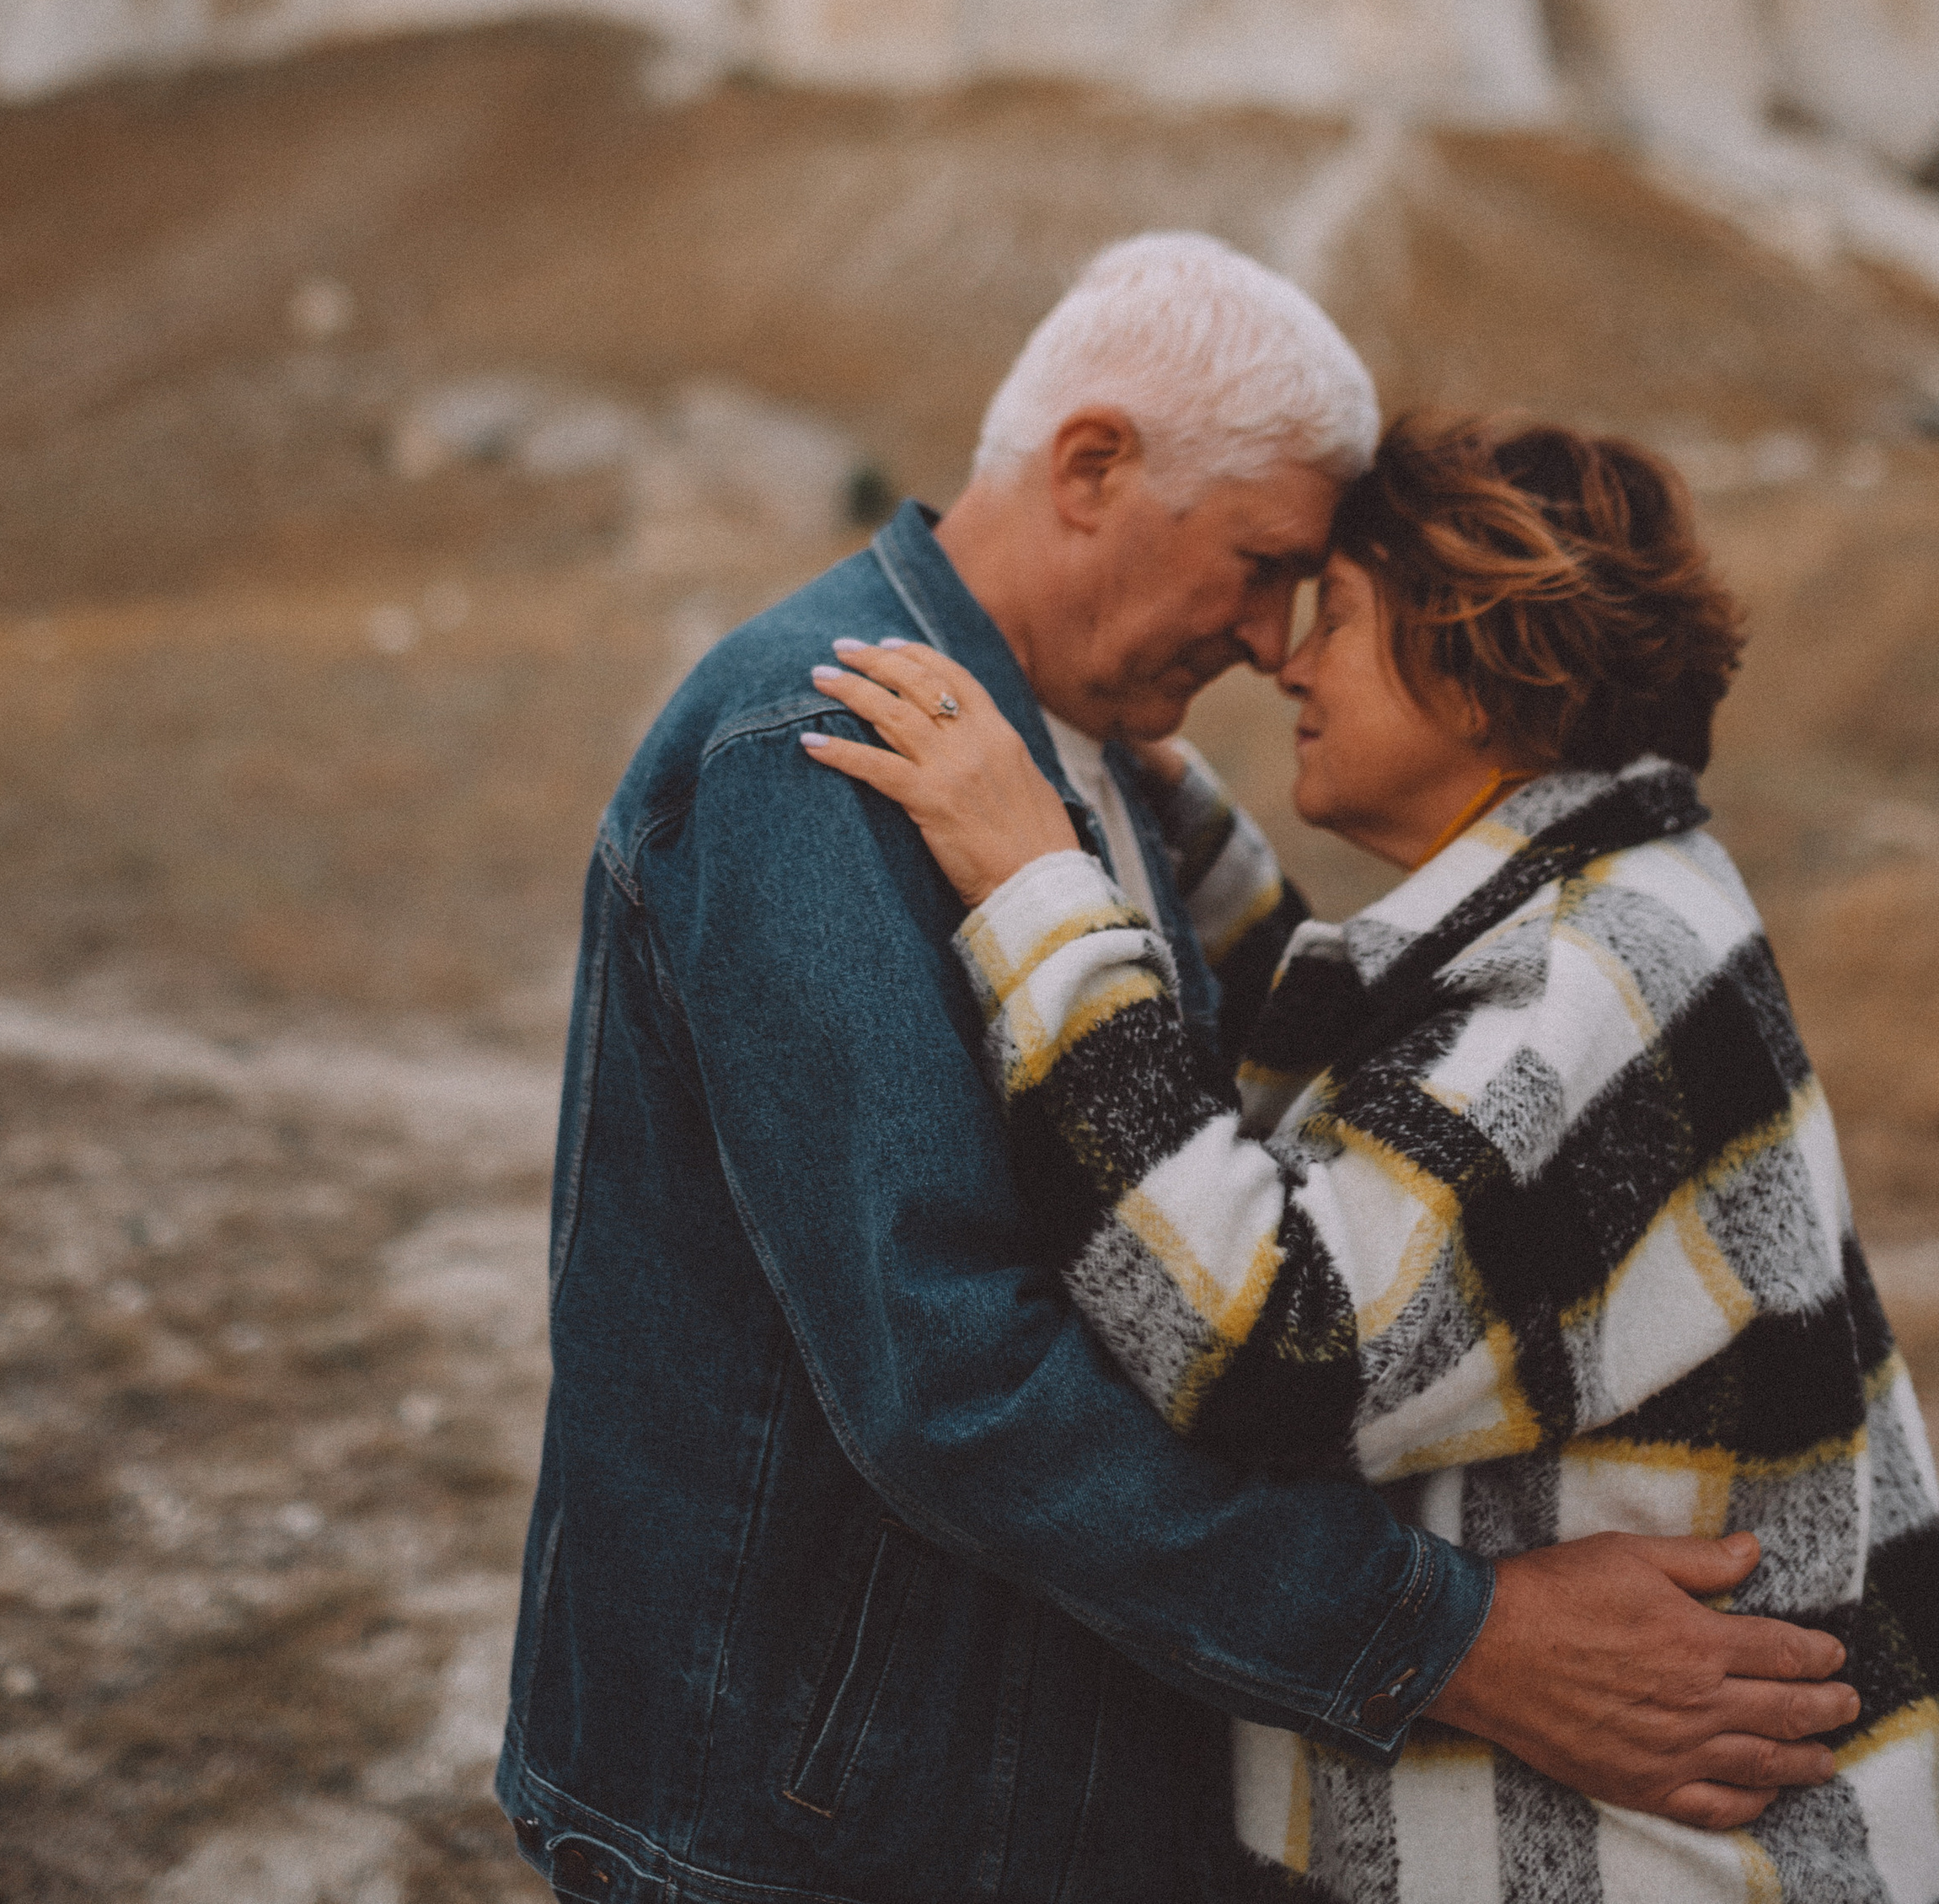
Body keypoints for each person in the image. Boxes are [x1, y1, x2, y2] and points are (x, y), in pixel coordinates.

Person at [498, 237, 1859, 1904]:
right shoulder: (819, 752)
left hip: (1010, 1797)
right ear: (1091, 470)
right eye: (1261, 562)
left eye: (1317, 596)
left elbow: (1243, 1094)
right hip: (807, 1824)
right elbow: (955, 1382)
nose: (1268, 637)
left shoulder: (1070, 758)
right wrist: (1441, 1638)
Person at [801, 405, 1939, 1898]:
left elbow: (1264, 1349)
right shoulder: (1622, 896)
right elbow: (1391, 1095)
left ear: (1481, 660)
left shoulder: (1586, 987)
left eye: (1334, 615)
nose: (1283, 659)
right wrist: (1140, 783)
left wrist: (1035, 890)